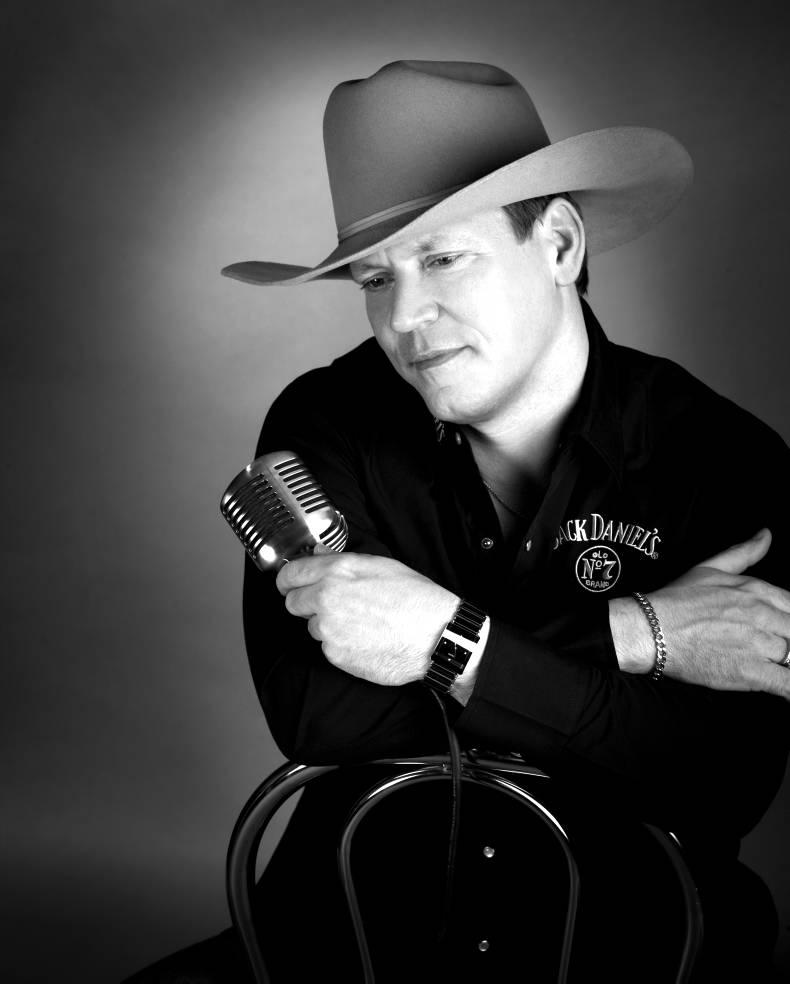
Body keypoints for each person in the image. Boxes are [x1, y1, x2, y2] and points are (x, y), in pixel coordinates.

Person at [124, 60, 790, 983]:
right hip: (352, 943)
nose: (404, 317)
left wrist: (435, 641)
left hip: (623, 951)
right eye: (374, 276)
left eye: (442, 258)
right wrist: (630, 634)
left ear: (559, 245)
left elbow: (718, 782)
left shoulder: (721, 459)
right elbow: (319, 713)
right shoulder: (328, 424)